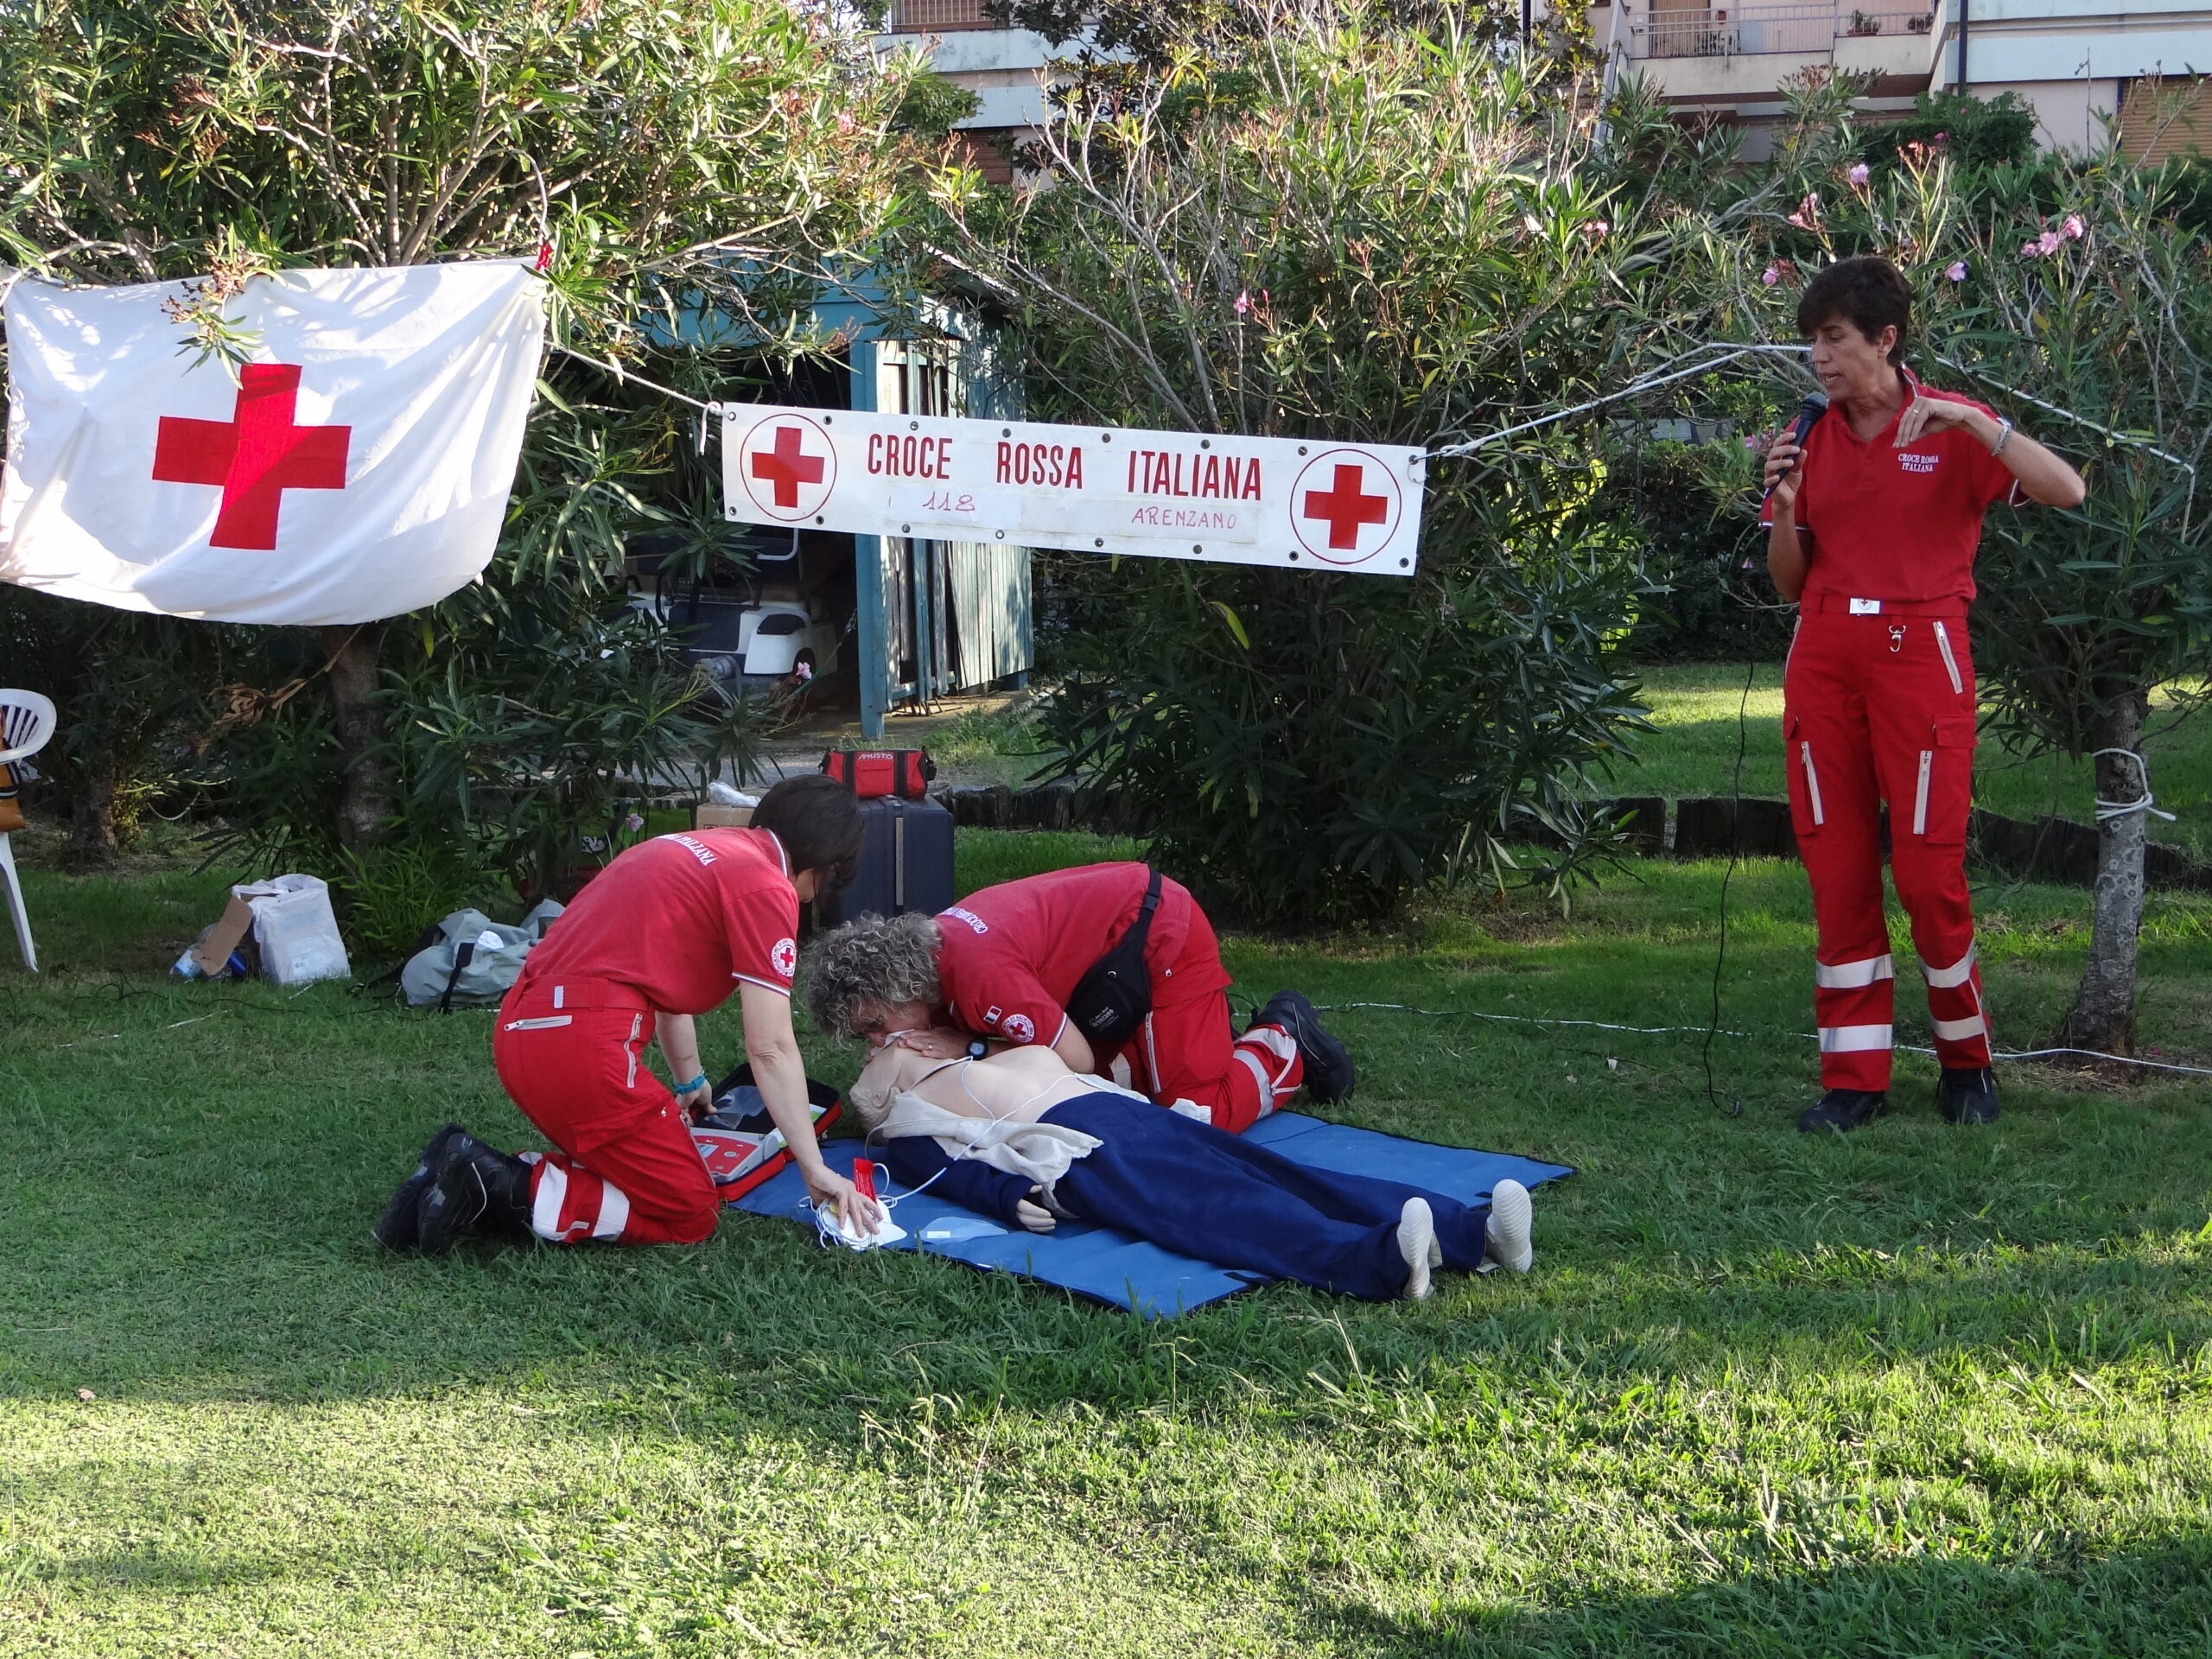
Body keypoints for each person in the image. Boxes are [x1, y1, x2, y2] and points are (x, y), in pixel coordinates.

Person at [1763, 255, 2086, 1133]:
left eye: (1833, 340)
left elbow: (2069, 489)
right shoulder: (1807, 431)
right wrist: (1785, 507)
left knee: (1926, 872)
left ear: (1885, 338)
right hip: (1824, 654)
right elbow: (1788, 584)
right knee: (1836, 873)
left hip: (1922, 655)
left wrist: (1983, 428)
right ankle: (1853, 1081)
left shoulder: (1951, 425)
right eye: (1812, 343)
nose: (1819, 360)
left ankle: (1966, 1063)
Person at [375, 775, 882, 1253]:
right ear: (827, 864)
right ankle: (495, 1183)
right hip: (583, 1049)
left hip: (522, 1030)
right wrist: (813, 1167)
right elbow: (769, 1046)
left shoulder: (684, 848)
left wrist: (690, 1084)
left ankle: (456, 1168)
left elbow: (663, 988)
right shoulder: (766, 886)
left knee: (636, 1171)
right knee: (690, 1210)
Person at [849, 1032, 1535, 1301]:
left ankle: (1474, 1234)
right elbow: (934, 1169)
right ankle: (1386, 1260)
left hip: (1125, 1120)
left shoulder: (988, 1058)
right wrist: (1004, 1195)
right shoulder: (907, 1118)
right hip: (1082, 1147)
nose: (880, 1058)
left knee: (1277, 1182)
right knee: (1230, 1208)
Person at [804, 861, 1352, 1133]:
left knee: (1191, 1116)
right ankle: (1200, 1042)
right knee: (1119, 1090)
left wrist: (967, 1048)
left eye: (875, 1024)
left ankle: (1285, 1039)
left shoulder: (977, 978)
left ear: (899, 986)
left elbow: (1075, 1060)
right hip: (1112, 955)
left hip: (1159, 935)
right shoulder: (935, 963)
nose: (879, 1041)